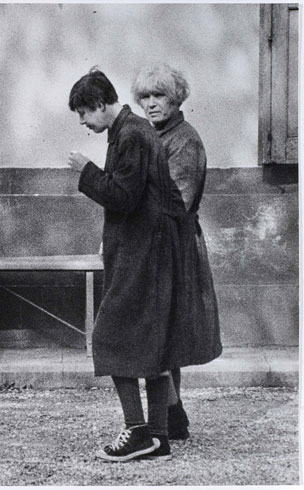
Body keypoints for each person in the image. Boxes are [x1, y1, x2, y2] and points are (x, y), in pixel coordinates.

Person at [66, 69, 187, 462]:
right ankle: (157, 436)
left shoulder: (131, 133)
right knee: (148, 343)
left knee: (110, 338)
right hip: (144, 251)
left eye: (84, 112)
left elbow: (123, 197)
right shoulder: (130, 130)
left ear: (102, 104)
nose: (83, 122)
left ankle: (137, 431)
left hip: (143, 254)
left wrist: (85, 171)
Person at [132, 63, 222, 440]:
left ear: (176, 99)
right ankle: (172, 414)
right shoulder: (154, 136)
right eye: (146, 97)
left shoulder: (184, 140)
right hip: (154, 242)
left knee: (160, 332)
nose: (152, 104)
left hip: (173, 244)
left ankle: (171, 416)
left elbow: (175, 203)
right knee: (160, 332)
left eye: (160, 96)